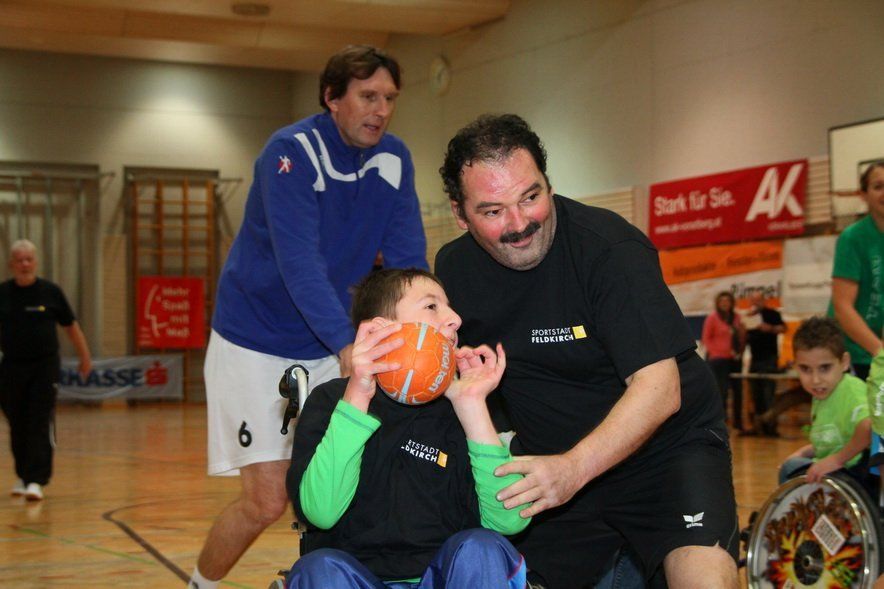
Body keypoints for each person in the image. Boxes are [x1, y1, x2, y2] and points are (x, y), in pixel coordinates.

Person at [435, 114, 738, 588]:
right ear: (460, 214)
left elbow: (660, 388)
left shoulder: (610, 249)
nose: (519, 224)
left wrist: (574, 469)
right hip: (551, 465)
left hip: (664, 455)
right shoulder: (455, 270)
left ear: (549, 184)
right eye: (492, 211)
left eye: (530, 197)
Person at [191, 45, 428, 588]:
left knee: (347, 481)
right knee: (266, 501)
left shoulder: (395, 159)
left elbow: (407, 262)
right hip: (257, 340)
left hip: (330, 341)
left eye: (390, 98)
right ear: (332, 98)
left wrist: (424, 333)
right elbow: (300, 263)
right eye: (368, 96)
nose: (381, 110)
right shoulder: (290, 153)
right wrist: (348, 345)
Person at [285, 268, 530, 587]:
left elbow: (508, 522)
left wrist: (470, 405)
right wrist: (357, 397)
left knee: (481, 549)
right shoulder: (332, 400)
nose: (455, 319)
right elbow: (321, 512)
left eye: (450, 307)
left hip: (444, 577)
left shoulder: (464, 409)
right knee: (317, 569)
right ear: (380, 330)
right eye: (432, 306)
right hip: (356, 576)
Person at [0, 239, 92, 501]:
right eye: (20, 260)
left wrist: (85, 357)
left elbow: (71, 327)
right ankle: (23, 476)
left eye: (29, 259)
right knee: (17, 421)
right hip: (11, 367)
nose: (25, 264)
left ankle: (37, 480)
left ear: (35, 262)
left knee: (39, 420)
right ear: (12, 264)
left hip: (44, 367)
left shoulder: (50, 292)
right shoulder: (3, 293)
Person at [778, 317, 871, 490]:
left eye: (825, 368)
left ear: (844, 362)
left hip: (855, 475)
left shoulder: (851, 391)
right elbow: (833, 441)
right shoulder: (824, 393)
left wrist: (837, 460)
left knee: (790, 469)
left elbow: (868, 427)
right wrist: (805, 452)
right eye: (805, 369)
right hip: (838, 474)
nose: (815, 380)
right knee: (792, 463)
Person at [830, 161, 884, 380]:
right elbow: (843, 307)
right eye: (878, 186)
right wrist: (880, 353)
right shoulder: (852, 238)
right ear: (863, 195)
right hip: (853, 354)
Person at [701, 291, 746, 432]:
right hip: (718, 359)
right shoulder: (712, 318)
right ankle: (722, 422)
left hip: (734, 358)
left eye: (728, 301)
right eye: (722, 301)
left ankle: (738, 422)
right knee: (722, 391)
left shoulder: (736, 318)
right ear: (718, 303)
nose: (725, 303)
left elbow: (740, 338)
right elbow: (706, 339)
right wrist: (716, 352)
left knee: (738, 391)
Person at [745, 290, 786, 436]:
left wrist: (770, 328)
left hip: (769, 358)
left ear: (764, 300)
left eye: (758, 299)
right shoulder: (749, 316)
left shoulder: (772, 314)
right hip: (755, 358)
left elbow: (783, 328)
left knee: (769, 394)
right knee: (756, 394)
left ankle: (771, 427)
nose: (756, 303)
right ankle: (758, 427)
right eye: (753, 300)